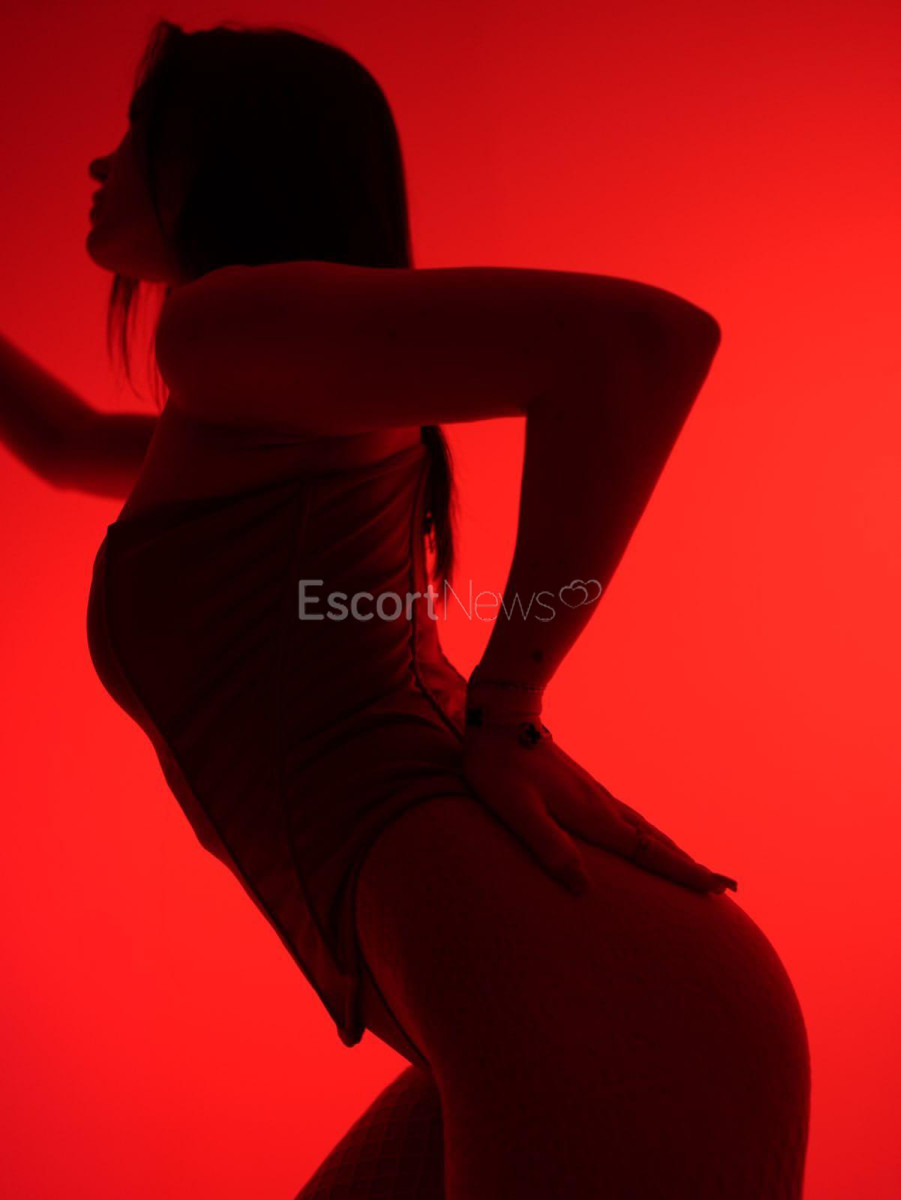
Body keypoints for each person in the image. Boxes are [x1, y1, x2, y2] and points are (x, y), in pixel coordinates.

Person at [1, 18, 811, 1198]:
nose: (98, 160)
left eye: (137, 129)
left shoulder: (217, 329)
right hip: (583, 993)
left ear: (217, 157)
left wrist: (509, 711)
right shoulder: (259, 414)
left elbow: (641, 341)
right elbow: (68, 443)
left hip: (583, 995)